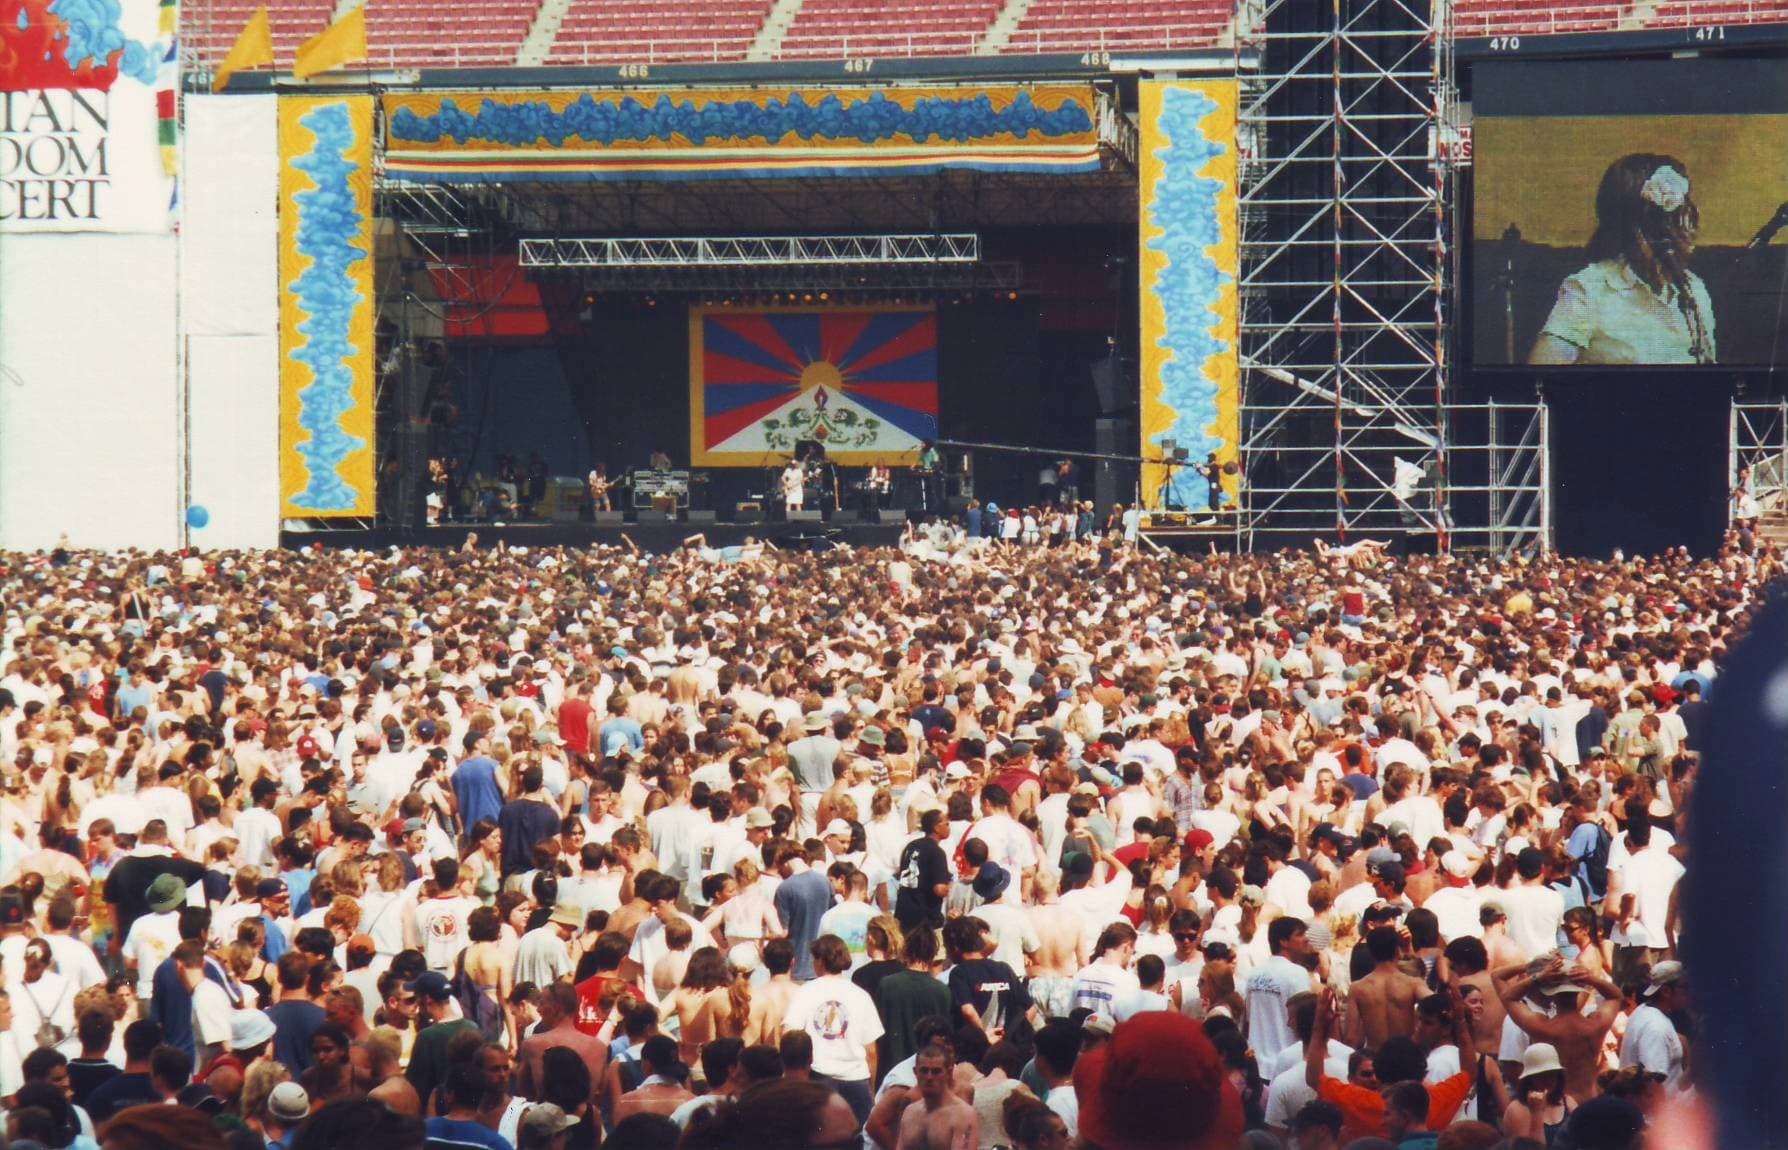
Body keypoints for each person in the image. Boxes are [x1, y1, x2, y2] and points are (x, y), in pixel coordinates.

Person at [1528, 154, 1716, 366]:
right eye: (1679, 212)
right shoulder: (1590, 289)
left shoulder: (1694, 289)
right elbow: (1541, 378)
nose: (1689, 223)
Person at [784, 934, 884, 1126]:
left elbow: (789, 1033)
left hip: (818, 1076)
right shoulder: (860, 995)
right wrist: (871, 1086)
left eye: (814, 959)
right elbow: (871, 1049)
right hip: (857, 1078)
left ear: (821, 961)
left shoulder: (806, 991)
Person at [895, 1042, 979, 1150]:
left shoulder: (962, 1115)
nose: (929, 1077)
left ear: (948, 1073)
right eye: (924, 1071)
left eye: (936, 1071)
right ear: (915, 1072)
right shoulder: (910, 1113)